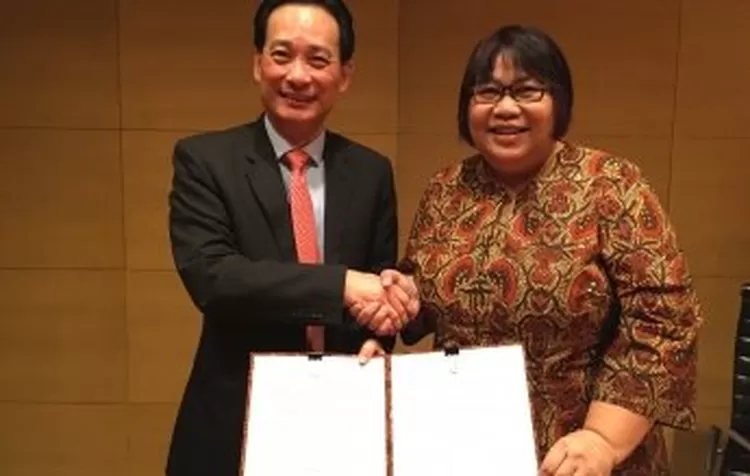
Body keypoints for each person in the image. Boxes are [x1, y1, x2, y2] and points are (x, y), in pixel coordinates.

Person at [391, 25, 704, 475]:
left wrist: (603, 439)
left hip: (583, 456)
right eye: (487, 92)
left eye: (526, 91)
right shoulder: (446, 189)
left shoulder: (610, 184)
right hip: (468, 446)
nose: (505, 108)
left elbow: (665, 321)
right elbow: (424, 293)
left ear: (559, 101)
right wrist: (398, 293)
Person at [165, 1, 416, 475]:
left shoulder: (371, 172)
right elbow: (215, 278)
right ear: (257, 63)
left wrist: (381, 330)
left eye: (318, 60)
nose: (298, 76)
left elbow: (377, 281)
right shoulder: (205, 160)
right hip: (235, 420)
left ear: (344, 75)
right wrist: (342, 285)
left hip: (344, 419)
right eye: (282, 55)